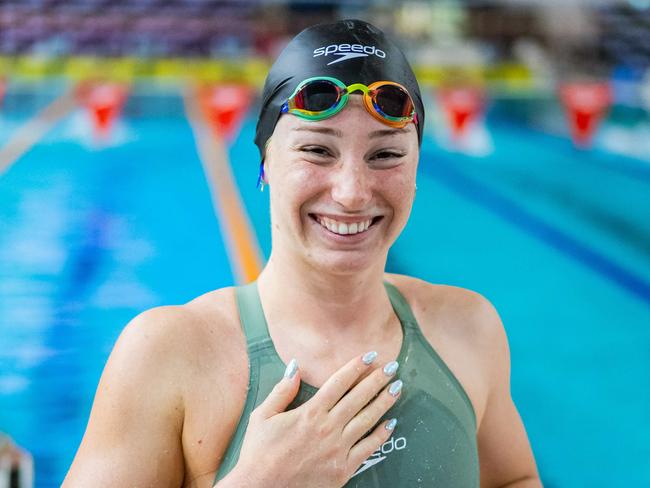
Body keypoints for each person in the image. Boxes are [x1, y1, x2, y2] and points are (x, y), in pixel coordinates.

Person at [64, 19, 541, 487]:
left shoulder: (467, 329)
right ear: (266, 162)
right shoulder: (169, 354)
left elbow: (514, 478)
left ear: (417, 166)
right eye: (316, 150)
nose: (352, 192)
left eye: (386, 154)